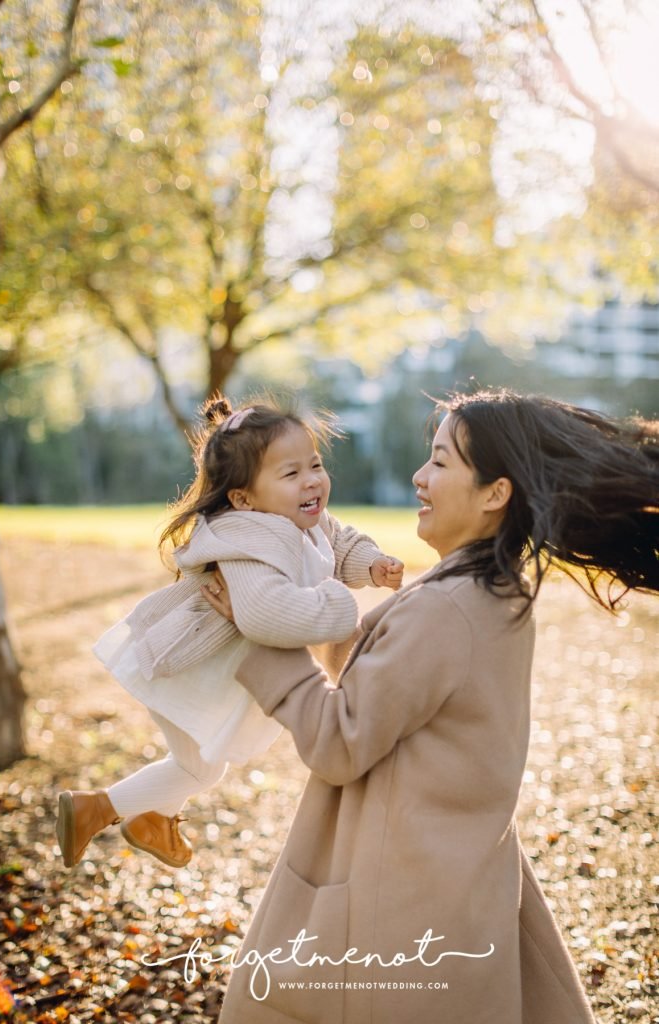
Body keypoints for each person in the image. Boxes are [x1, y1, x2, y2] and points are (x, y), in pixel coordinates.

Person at [201, 388, 658, 1024]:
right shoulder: (487, 588)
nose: (420, 476)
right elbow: (386, 686)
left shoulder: (449, 606)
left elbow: (339, 740)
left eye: (440, 462)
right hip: (449, 876)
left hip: (401, 903)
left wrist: (262, 648)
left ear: (495, 493)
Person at [55, 396, 404, 872]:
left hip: (205, 673)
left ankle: (153, 818)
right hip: (186, 669)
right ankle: (94, 809)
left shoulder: (301, 519)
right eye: (291, 473)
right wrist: (342, 603)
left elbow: (338, 543)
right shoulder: (251, 538)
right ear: (243, 498)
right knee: (200, 767)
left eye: (315, 465)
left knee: (199, 762)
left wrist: (371, 564)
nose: (312, 481)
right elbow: (264, 614)